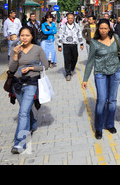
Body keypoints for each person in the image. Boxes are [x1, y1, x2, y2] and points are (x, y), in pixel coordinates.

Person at [82, 19, 120, 140]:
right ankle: (98, 127)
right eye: (101, 28)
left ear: (109, 29)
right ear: (98, 29)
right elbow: (90, 61)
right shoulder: (94, 42)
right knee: (102, 100)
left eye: (105, 28)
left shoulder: (116, 38)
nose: (103, 31)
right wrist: (85, 79)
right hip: (100, 73)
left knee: (112, 100)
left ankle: (109, 124)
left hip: (115, 72)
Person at [9, 26, 48, 154]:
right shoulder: (16, 49)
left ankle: (19, 143)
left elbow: (45, 66)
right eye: (22, 35)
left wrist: (31, 68)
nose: (24, 38)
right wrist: (15, 54)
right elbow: (12, 69)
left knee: (23, 112)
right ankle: (32, 124)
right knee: (25, 110)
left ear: (32, 37)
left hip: (31, 83)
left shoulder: (38, 49)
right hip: (18, 84)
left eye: (27, 35)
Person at [57, 13, 84, 81]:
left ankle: (72, 69)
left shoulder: (77, 26)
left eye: (72, 18)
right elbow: (60, 35)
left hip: (74, 44)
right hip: (66, 44)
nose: (70, 19)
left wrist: (81, 44)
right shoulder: (63, 26)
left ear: (73, 18)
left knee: (75, 58)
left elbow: (79, 34)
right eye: (69, 18)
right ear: (67, 19)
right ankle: (68, 73)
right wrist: (59, 45)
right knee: (67, 59)